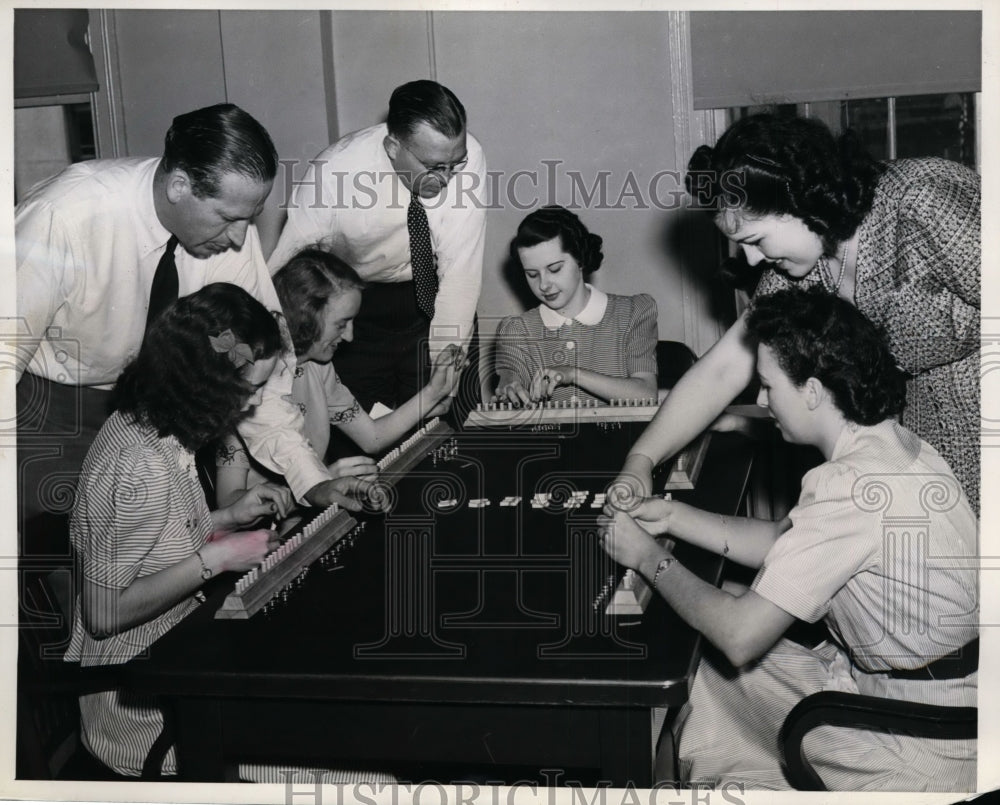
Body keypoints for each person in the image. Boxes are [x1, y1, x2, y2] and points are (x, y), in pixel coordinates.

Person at [599, 286, 978, 791]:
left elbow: (739, 638)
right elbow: (783, 540)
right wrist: (670, 518)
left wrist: (648, 558)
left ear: (814, 391)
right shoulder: (890, 443)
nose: (759, 401)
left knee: (711, 655)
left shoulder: (846, 489)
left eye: (768, 387)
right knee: (716, 627)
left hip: (914, 739)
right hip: (955, 701)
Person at [15, 103, 361, 555]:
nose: (240, 239)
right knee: (59, 573)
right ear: (180, 185)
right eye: (228, 218)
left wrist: (311, 481)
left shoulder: (228, 235)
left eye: (250, 218)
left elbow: (262, 378)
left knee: (156, 564)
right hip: (50, 414)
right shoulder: (65, 214)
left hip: (159, 417)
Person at [615, 113, 980, 512]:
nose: (752, 260)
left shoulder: (921, 202)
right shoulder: (799, 266)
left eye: (755, 240)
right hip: (929, 445)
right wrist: (641, 460)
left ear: (799, 200)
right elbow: (721, 369)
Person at [64, 284, 299, 777]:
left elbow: (154, 536)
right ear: (206, 385)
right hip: (141, 708)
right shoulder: (140, 464)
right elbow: (104, 612)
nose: (253, 405)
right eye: (248, 390)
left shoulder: (153, 429)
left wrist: (226, 520)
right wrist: (220, 557)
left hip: (177, 662)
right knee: (341, 761)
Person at [268, 79, 487, 417]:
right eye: (433, 167)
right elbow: (283, 276)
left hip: (435, 296)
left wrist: (446, 381)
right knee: (367, 437)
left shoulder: (464, 157)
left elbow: (461, 276)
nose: (446, 178)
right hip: (359, 309)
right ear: (392, 146)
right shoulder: (334, 173)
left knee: (450, 430)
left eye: (454, 165)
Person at [215, 247, 462, 505]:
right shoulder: (251, 381)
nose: (349, 337)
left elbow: (372, 436)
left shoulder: (319, 368)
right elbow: (228, 503)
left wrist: (433, 392)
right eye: (342, 324)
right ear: (306, 318)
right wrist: (323, 480)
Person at [492, 206, 658, 405]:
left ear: (579, 260)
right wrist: (509, 384)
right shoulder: (516, 330)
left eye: (554, 269)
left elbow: (646, 394)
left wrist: (572, 373)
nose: (544, 285)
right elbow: (509, 377)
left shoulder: (633, 312)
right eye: (532, 274)